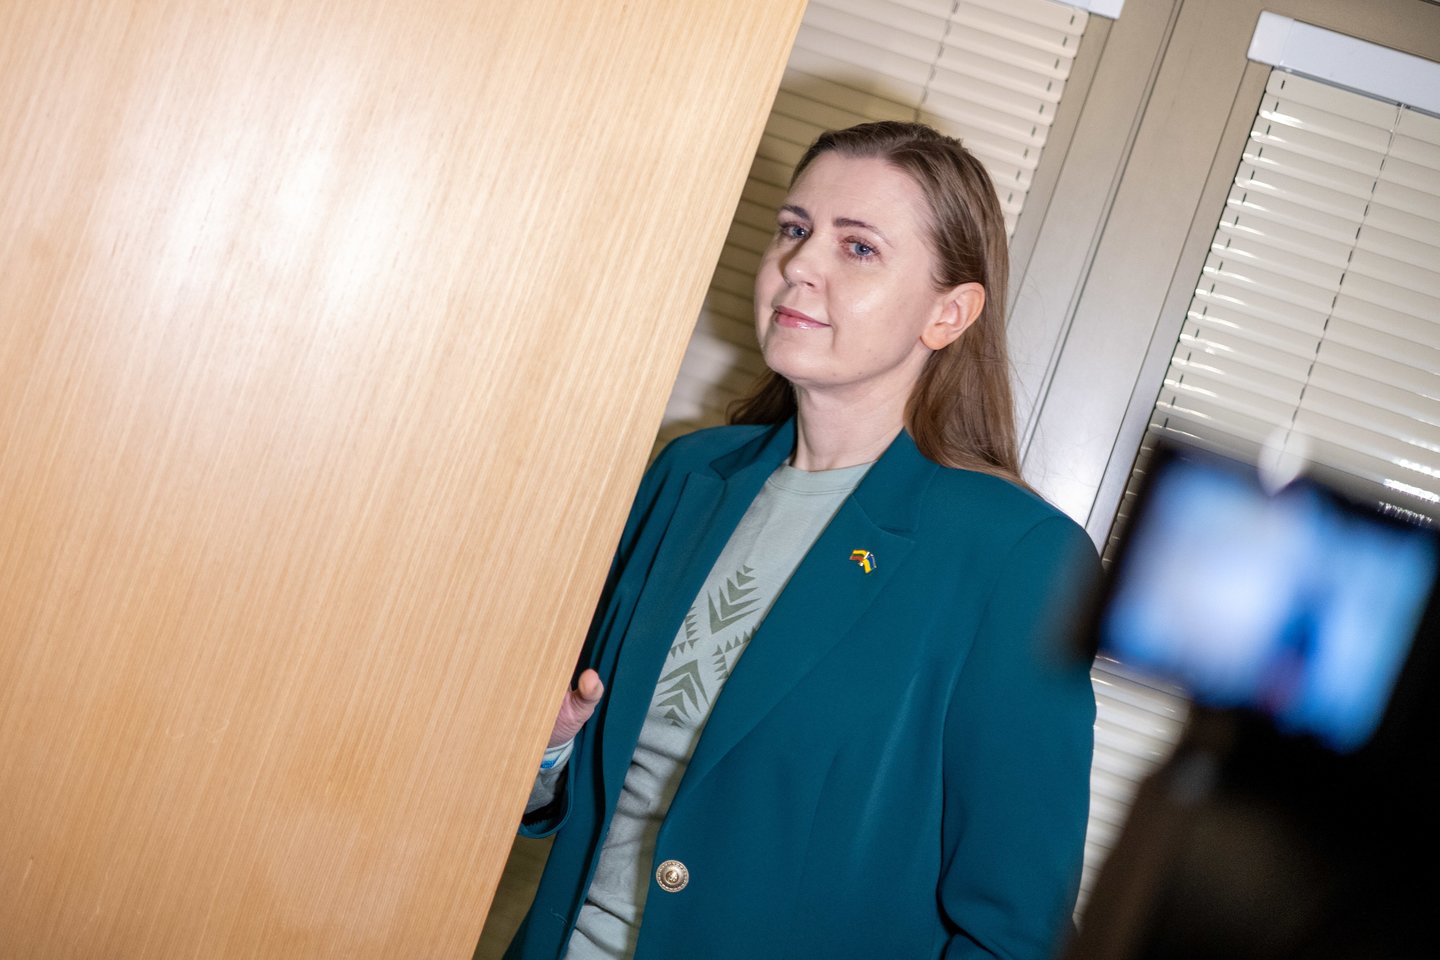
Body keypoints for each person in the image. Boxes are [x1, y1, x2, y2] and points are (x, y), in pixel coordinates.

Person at [504, 121, 1099, 960]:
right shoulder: (689, 474)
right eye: (794, 229)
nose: (799, 264)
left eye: (858, 248)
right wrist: (548, 749)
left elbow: (1015, 930)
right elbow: (571, 799)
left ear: (949, 313)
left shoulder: (1019, 559)